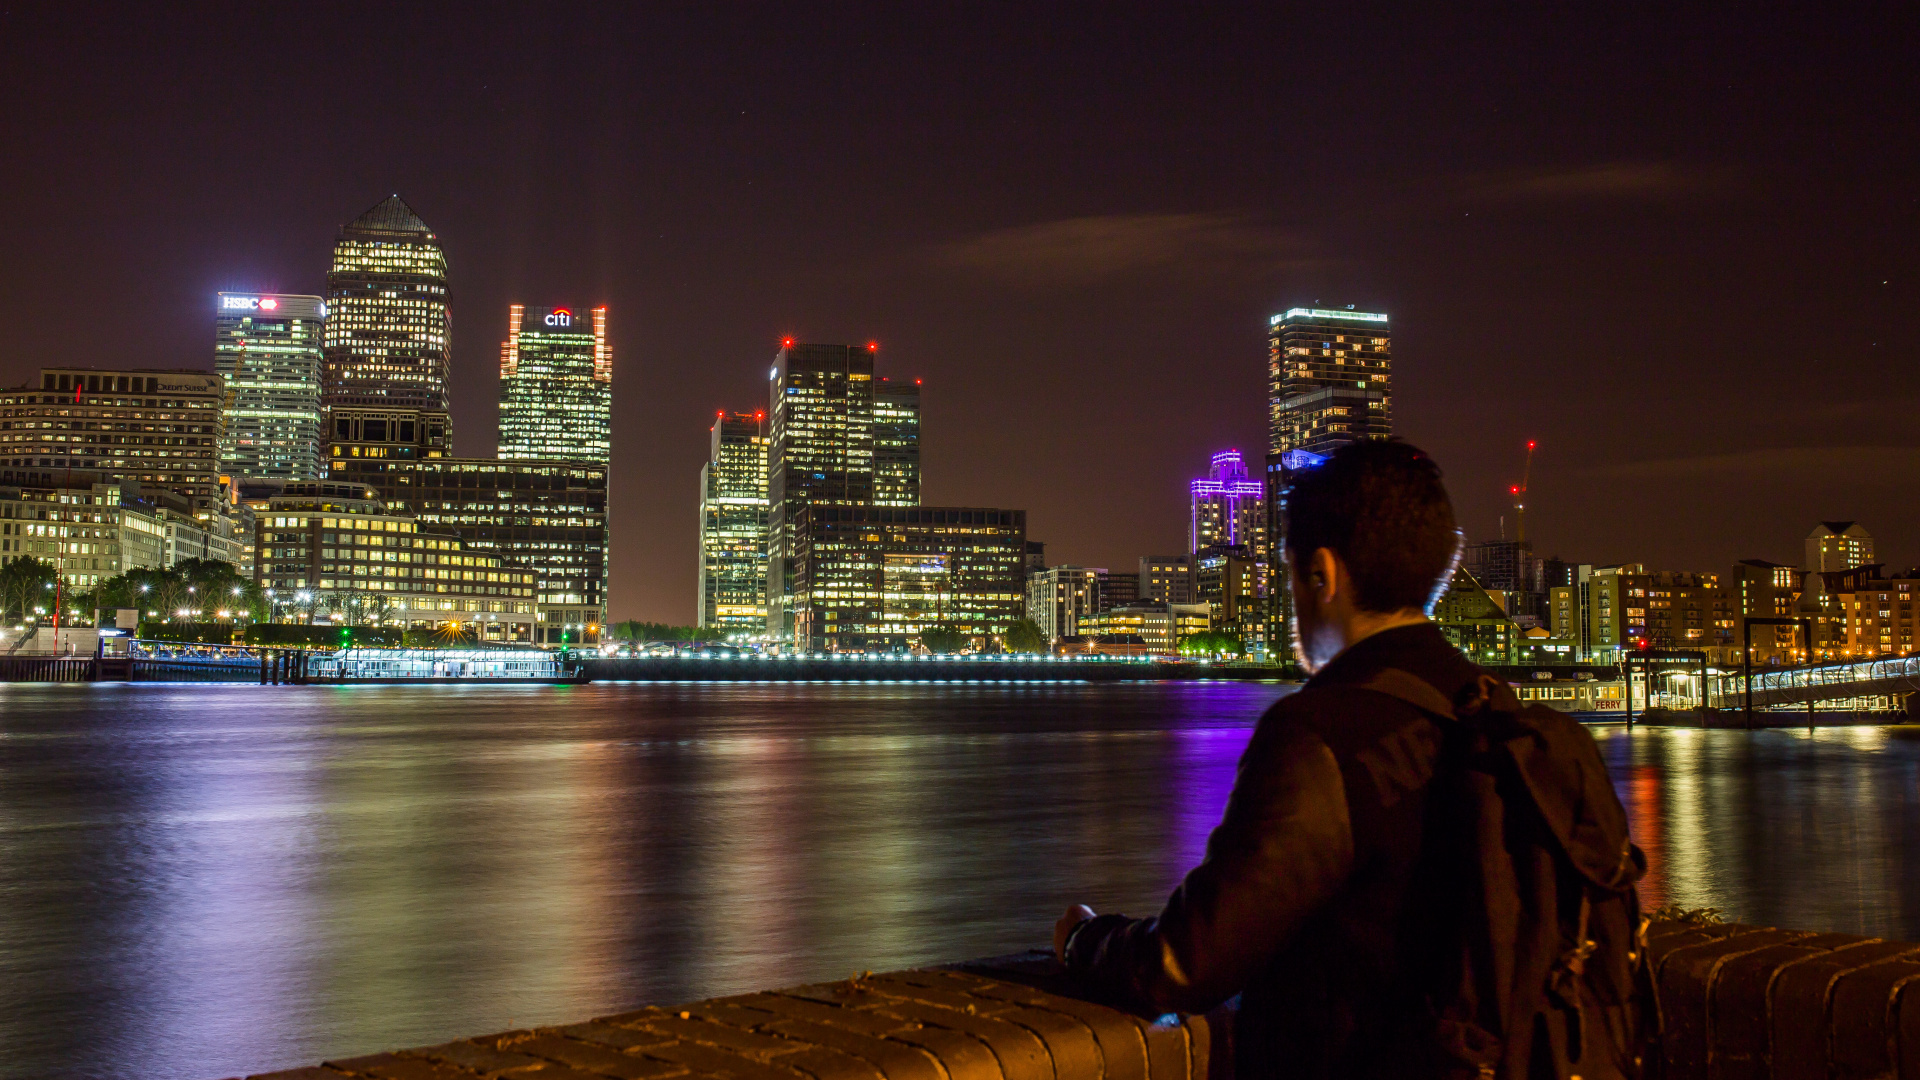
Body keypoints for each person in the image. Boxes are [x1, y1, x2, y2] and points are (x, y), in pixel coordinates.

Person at [1052, 438, 1644, 1079]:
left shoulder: (1319, 735)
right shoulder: (1516, 726)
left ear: (1322, 575)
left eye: (1291, 577)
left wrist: (1086, 940)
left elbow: (1189, 961)